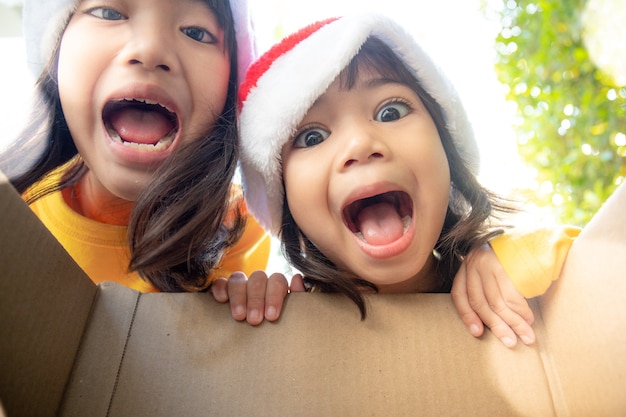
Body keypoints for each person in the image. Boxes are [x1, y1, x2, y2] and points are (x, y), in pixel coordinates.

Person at [212, 13, 580, 347]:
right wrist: (254, 305)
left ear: (447, 147)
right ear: (285, 200)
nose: (359, 144)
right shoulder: (287, 314)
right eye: (312, 137)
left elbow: (599, 256)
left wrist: (515, 260)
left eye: (390, 111)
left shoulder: (514, 271)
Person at [0, 0, 270, 292]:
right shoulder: (15, 207)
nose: (150, 50)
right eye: (109, 13)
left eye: (195, 32)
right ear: (56, 51)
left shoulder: (239, 229)